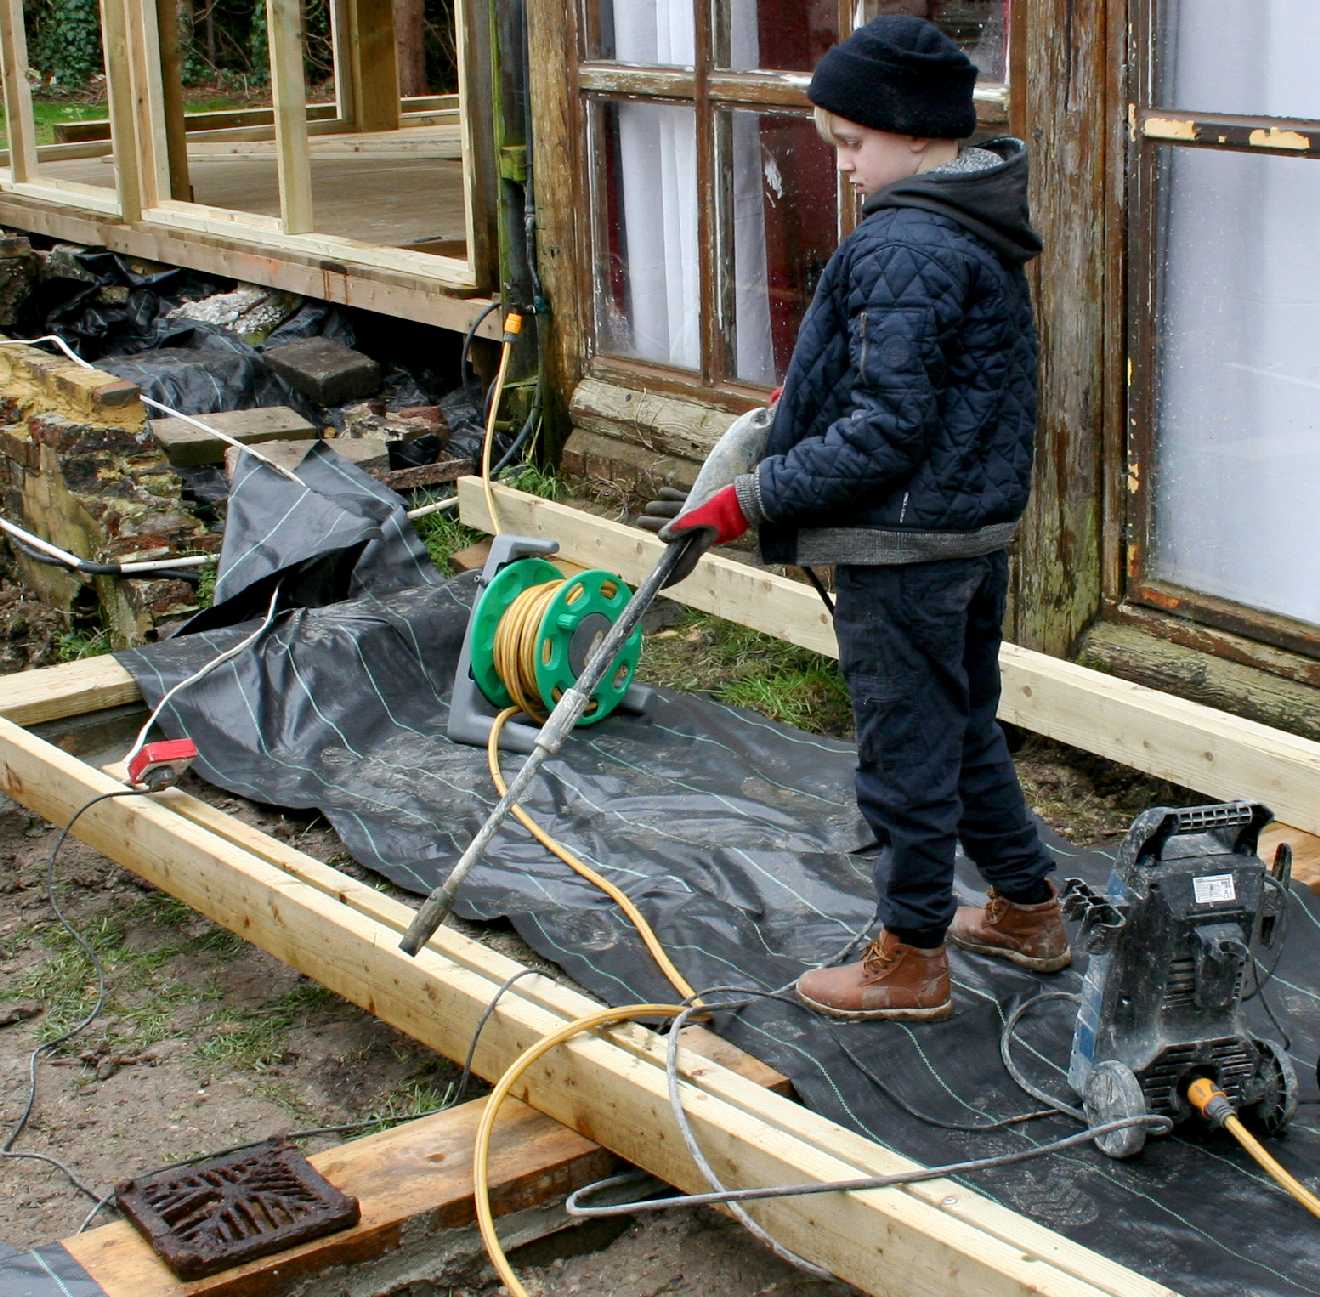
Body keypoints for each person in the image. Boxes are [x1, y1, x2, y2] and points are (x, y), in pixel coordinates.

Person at [643, 14, 1070, 1020]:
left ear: (915, 132)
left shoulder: (907, 243)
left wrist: (748, 500)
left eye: (850, 142)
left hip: (905, 547)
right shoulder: (971, 225)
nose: (839, 166)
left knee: (905, 749)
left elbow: (883, 429)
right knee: (961, 727)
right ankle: (1027, 905)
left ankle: (911, 957)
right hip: (964, 532)